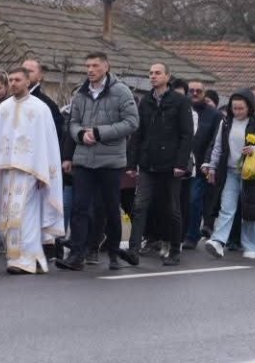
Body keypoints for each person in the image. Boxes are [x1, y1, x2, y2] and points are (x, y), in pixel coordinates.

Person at [56, 52, 140, 271]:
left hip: (110, 162)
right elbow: (72, 122)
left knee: (111, 208)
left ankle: (113, 253)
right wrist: (80, 134)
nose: (90, 70)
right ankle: (77, 255)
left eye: (95, 65)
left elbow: (132, 122)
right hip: (84, 160)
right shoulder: (81, 93)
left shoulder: (121, 91)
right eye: (88, 66)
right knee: (80, 207)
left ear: (106, 67)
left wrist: (100, 132)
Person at [0, 68, 64, 274]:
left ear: (28, 82)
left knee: (25, 214)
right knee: (10, 215)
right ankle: (19, 258)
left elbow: (47, 143)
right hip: (6, 171)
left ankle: (25, 260)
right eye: (10, 80)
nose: (13, 83)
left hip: (31, 172)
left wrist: (44, 173)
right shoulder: (3, 108)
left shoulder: (40, 109)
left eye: (17, 79)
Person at [126, 63, 194, 266]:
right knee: (140, 206)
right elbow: (138, 133)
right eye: (150, 73)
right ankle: (133, 250)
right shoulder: (146, 101)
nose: (153, 76)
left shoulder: (180, 101)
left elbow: (186, 134)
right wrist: (132, 163)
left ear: (167, 76)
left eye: (157, 73)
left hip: (171, 164)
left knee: (172, 208)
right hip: (148, 162)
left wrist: (181, 163)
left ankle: (174, 250)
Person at [202, 90, 255, 260]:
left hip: (251, 173)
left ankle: (251, 246)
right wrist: (212, 167)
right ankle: (218, 241)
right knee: (226, 207)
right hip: (230, 172)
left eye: (241, 108)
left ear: (249, 107)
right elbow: (218, 147)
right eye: (234, 108)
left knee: (250, 210)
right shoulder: (225, 123)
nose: (237, 112)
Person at [21, 57, 69, 259]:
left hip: (40, 164)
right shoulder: (11, 103)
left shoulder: (46, 104)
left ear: (40, 76)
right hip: (19, 165)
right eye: (23, 70)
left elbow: (54, 138)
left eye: (30, 71)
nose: (26, 74)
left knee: (44, 206)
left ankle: (51, 247)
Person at [184, 79, 221, 250]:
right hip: (180, 164)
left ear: (204, 93)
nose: (194, 93)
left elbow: (215, 141)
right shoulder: (181, 110)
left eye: (198, 91)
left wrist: (208, 162)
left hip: (200, 165)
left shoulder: (214, 115)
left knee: (194, 200)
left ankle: (192, 235)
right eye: (191, 90)